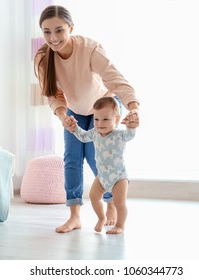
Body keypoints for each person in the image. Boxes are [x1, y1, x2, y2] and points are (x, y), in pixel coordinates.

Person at [34, 5, 140, 233]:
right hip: (74, 110)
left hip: (102, 106)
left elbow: (115, 79)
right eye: (47, 32)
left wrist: (133, 107)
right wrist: (63, 116)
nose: (53, 38)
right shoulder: (43, 58)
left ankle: (111, 202)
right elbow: (53, 94)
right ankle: (75, 216)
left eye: (59, 30)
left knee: (97, 157)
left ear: (71, 27)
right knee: (72, 159)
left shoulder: (90, 49)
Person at [67, 96, 135, 234]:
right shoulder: (95, 133)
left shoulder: (119, 135)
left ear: (116, 119)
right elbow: (83, 136)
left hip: (119, 178)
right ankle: (101, 217)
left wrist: (131, 126)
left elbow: (130, 135)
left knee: (119, 203)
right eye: (96, 119)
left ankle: (120, 225)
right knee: (93, 196)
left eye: (105, 119)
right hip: (102, 177)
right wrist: (74, 128)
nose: (99, 123)